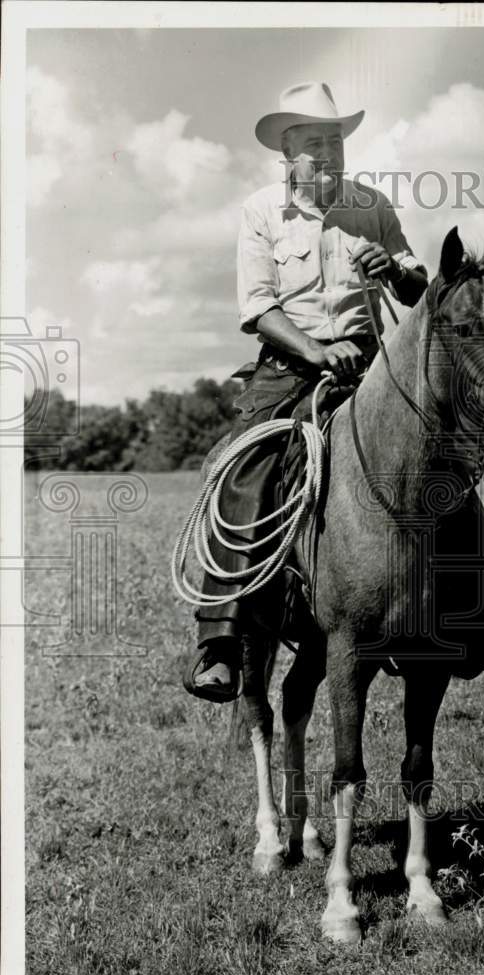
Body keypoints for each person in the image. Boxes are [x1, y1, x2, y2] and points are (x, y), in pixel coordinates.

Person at [187, 82, 427, 701]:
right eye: (314, 144)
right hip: (290, 366)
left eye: (335, 141)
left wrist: (393, 268)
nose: (328, 153)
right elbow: (260, 308)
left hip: (371, 367)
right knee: (247, 466)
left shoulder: (372, 205)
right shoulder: (261, 212)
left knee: (436, 456)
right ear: (286, 155)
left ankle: (470, 617)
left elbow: (416, 285)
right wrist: (318, 350)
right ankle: (221, 639)